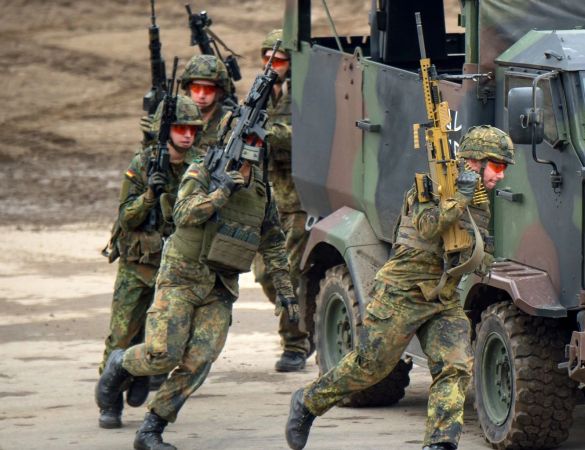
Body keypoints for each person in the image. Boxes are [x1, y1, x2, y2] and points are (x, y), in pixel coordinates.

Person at [285, 126, 517, 450]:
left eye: (504, 168)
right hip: (402, 294)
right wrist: (459, 199)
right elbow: (428, 226)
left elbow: (470, 250)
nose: (501, 176)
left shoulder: (478, 203)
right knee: (371, 368)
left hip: (441, 298)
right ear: (475, 162)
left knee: (454, 366)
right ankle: (308, 402)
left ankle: (440, 443)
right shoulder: (431, 186)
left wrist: (483, 257)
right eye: (498, 166)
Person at [95, 122, 301, 449]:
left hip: (219, 287)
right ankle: (120, 363)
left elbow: (273, 243)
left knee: (200, 360)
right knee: (162, 354)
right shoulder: (203, 170)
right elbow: (183, 213)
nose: (252, 147)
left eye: (257, 142)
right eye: (246, 140)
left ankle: (152, 428)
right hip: (181, 277)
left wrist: (287, 293)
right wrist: (222, 193)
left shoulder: (263, 190)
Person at [97, 95, 204, 429]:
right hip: (137, 264)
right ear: (165, 130)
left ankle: (140, 374)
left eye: (192, 129)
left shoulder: (199, 165)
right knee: (121, 333)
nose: (187, 135)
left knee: (164, 339)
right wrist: (148, 196)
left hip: (174, 267)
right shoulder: (142, 163)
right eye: (179, 128)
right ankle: (110, 401)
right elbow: (126, 218)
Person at [251, 28, 312, 373]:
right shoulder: (260, 94)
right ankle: (305, 323)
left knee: (288, 273)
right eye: (268, 59)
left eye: (281, 60)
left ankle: (296, 343)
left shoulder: (303, 96)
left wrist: (268, 134)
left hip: (299, 200)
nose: (273, 66)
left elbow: (306, 136)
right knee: (264, 274)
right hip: (266, 199)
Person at [140, 54, 234, 153]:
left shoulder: (230, 122)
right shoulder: (172, 115)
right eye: (196, 88)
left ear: (219, 91)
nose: (201, 95)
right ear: (188, 88)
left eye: (208, 89)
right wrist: (151, 141)